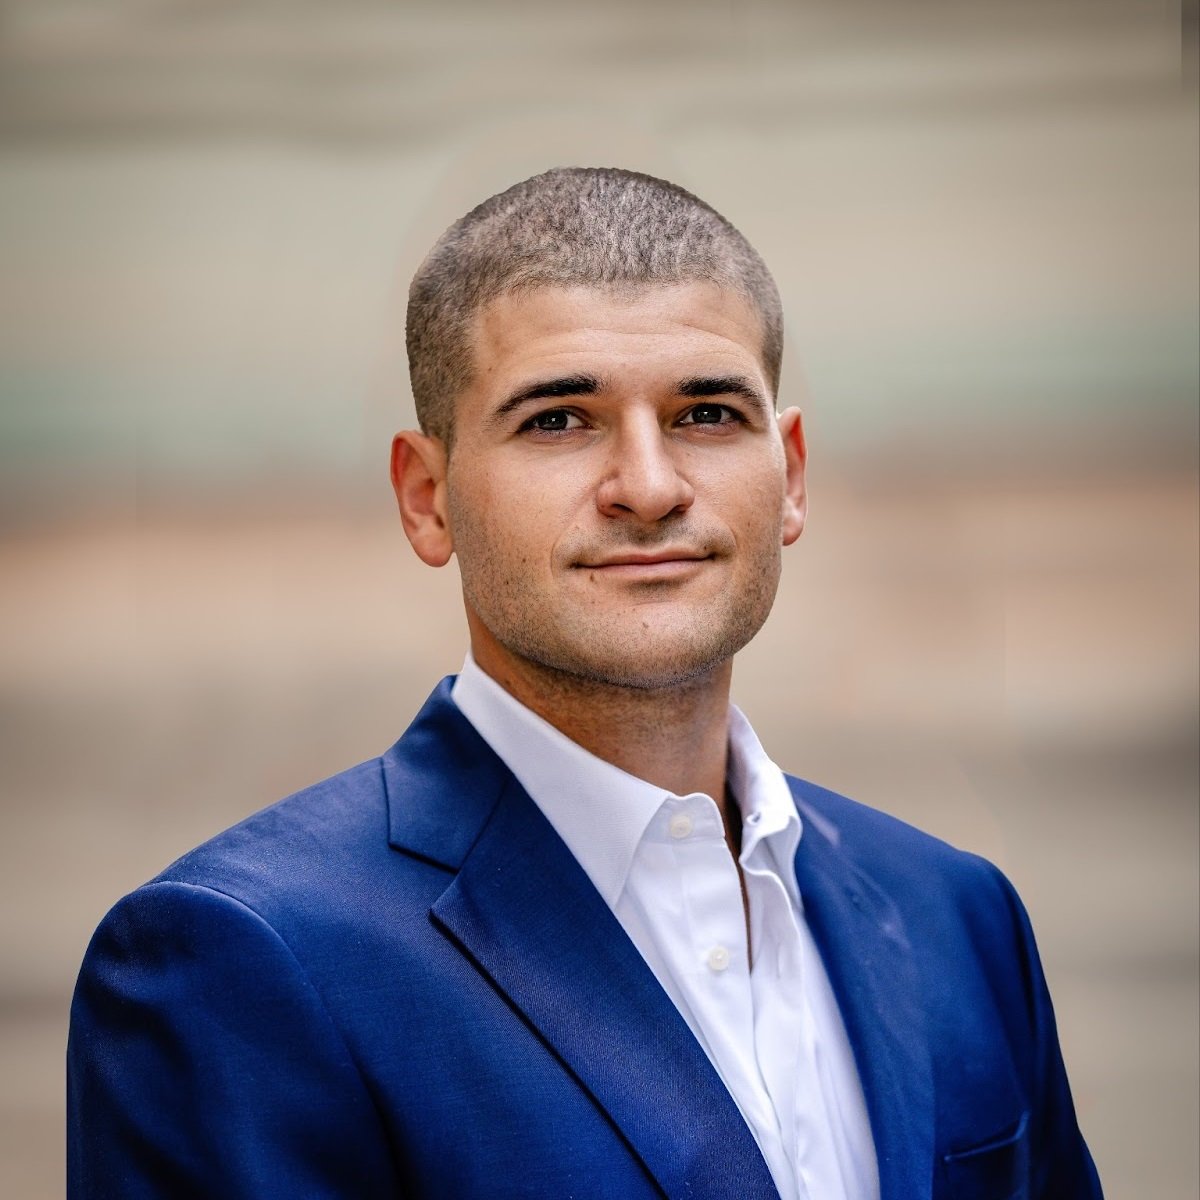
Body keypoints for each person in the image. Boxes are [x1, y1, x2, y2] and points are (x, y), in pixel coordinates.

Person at [67, 167, 1102, 1199]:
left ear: (790, 472)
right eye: (558, 421)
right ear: (426, 498)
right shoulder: (240, 958)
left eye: (707, 413)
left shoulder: (958, 916)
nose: (649, 488)